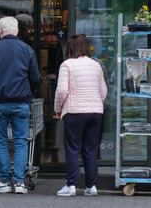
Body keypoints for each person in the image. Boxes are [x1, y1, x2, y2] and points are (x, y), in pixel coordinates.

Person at [0, 16, 40, 195]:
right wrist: (30, 92)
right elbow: (35, 78)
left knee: (0, 141)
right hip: (21, 103)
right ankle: (19, 182)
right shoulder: (27, 50)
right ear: (17, 30)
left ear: (0, 31)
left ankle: (4, 181)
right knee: (21, 142)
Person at [53, 34, 108, 197]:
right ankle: (91, 186)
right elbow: (103, 91)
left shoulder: (67, 65)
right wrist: (96, 103)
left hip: (75, 113)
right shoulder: (96, 65)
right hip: (95, 112)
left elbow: (62, 90)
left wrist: (58, 109)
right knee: (90, 150)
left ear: (69, 49)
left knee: (72, 149)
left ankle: (70, 186)